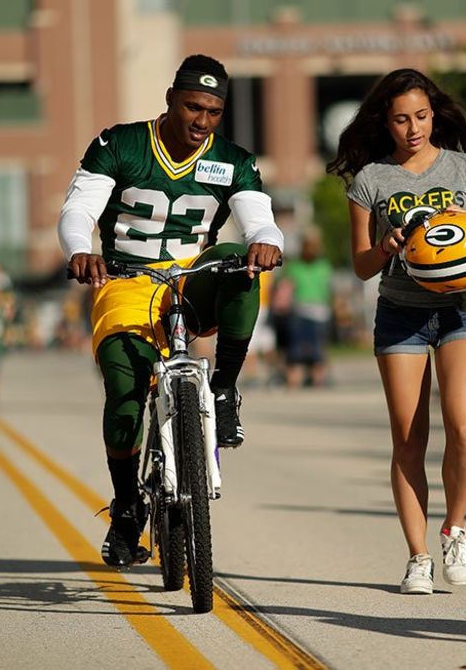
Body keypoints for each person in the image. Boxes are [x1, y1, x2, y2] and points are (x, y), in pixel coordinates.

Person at [58, 54, 283, 567]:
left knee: (238, 261)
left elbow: (259, 218)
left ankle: (224, 389)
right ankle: (127, 508)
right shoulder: (122, 144)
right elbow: (78, 210)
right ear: (170, 100)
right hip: (126, 281)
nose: (201, 120)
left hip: (191, 282)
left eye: (212, 111)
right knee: (124, 397)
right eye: (192, 107)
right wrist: (79, 248)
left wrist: (266, 242)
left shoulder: (232, 159)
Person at [329, 68, 466, 595]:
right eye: (402, 119)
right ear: (386, 121)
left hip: (462, 309)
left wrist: (465, 227)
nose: (413, 128)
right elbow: (359, 264)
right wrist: (388, 246)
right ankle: (418, 555)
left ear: (434, 114)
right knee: (409, 437)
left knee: (465, 427)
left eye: (421, 117)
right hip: (401, 314)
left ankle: (455, 528)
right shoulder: (370, 181)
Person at [280, 229, 334, 388]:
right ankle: (298, 379)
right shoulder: (296, 266)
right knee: (298, 350)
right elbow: (286, 289)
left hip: (318, 312)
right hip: (301, 311)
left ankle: (315, 378)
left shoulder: (322, 265)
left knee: (314, 350)